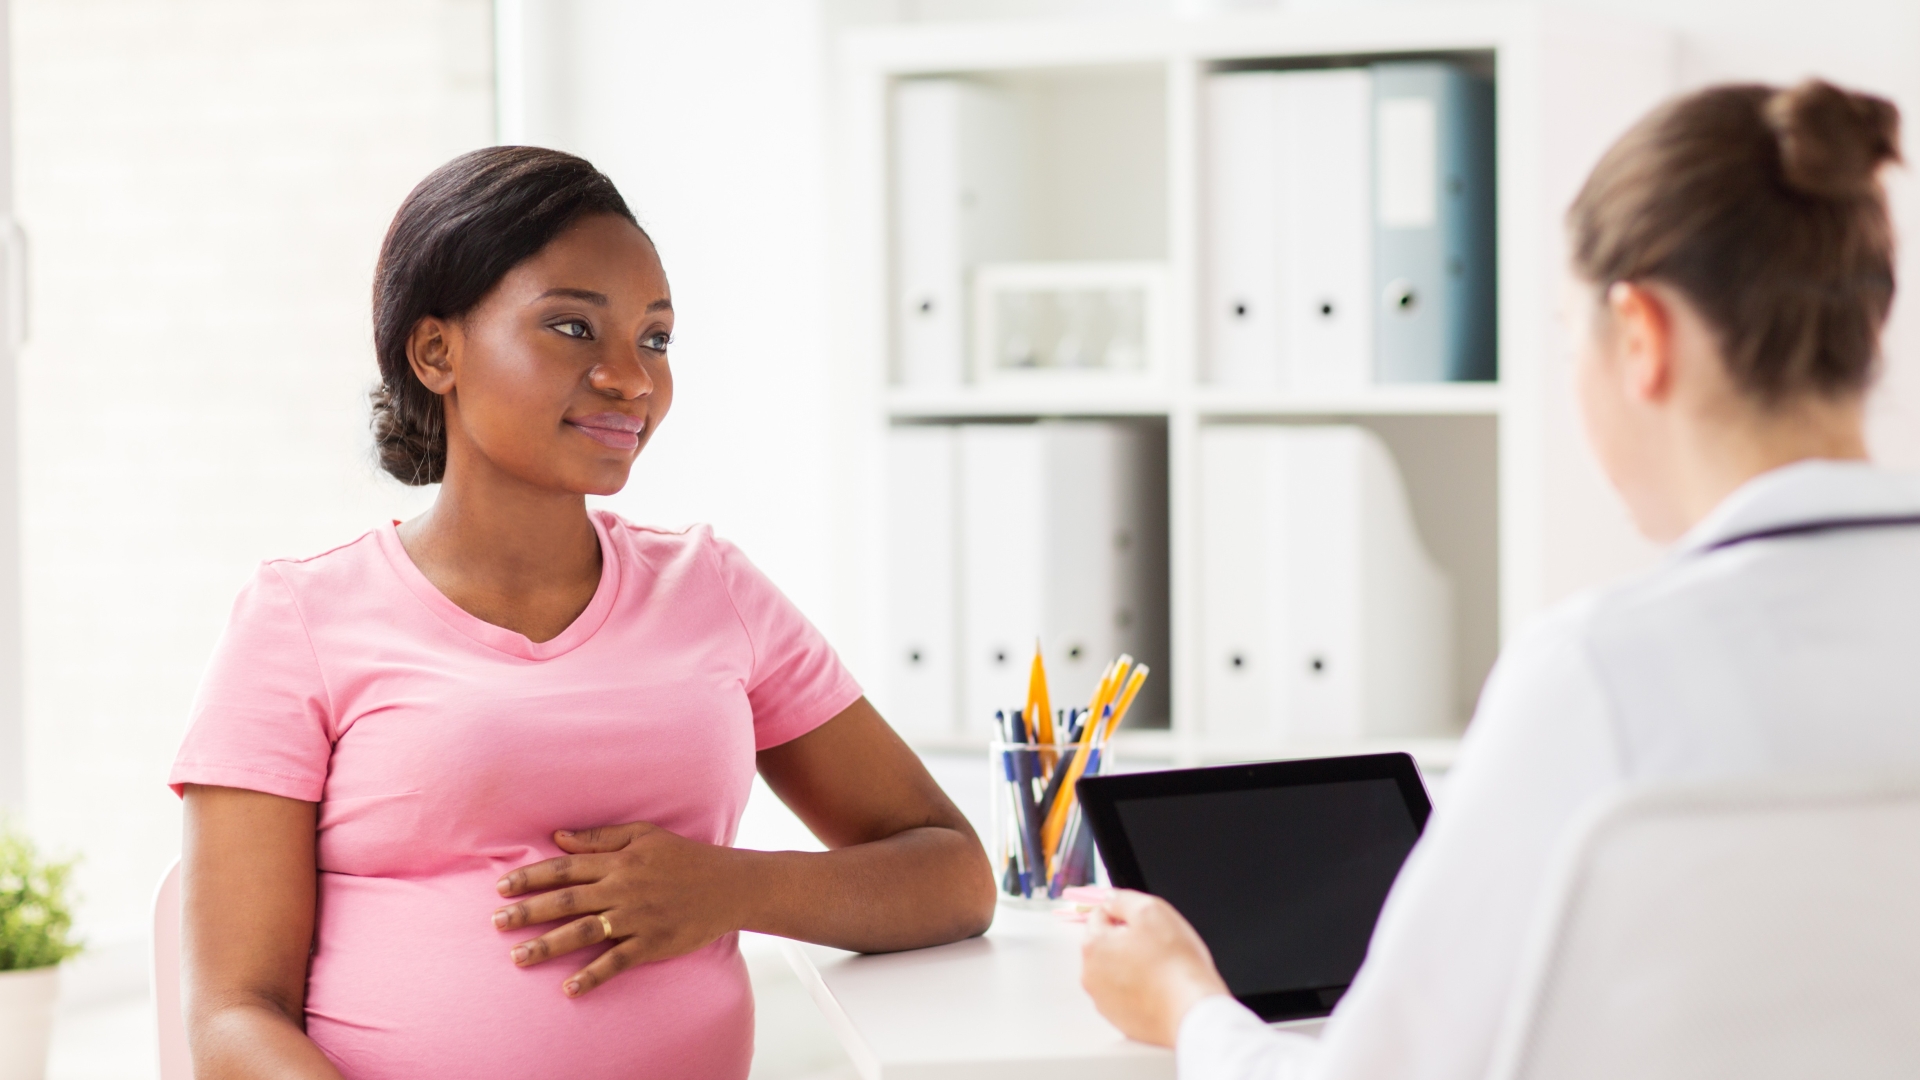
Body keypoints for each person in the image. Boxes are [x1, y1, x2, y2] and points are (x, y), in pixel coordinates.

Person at [1081, 77, 1914, 1080]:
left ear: (1640, 336)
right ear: (1868, 330)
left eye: (1570, 336)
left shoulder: (1600, 673)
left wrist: (1188, 1004)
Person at [170, 147, 996, 1080]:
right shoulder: (300, 619)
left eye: (656, 338)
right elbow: (235, 1016)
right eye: (572, 327)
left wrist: (729, 886)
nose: (631, 380)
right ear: (436, 350)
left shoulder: (712, 589)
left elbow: (952, 876)